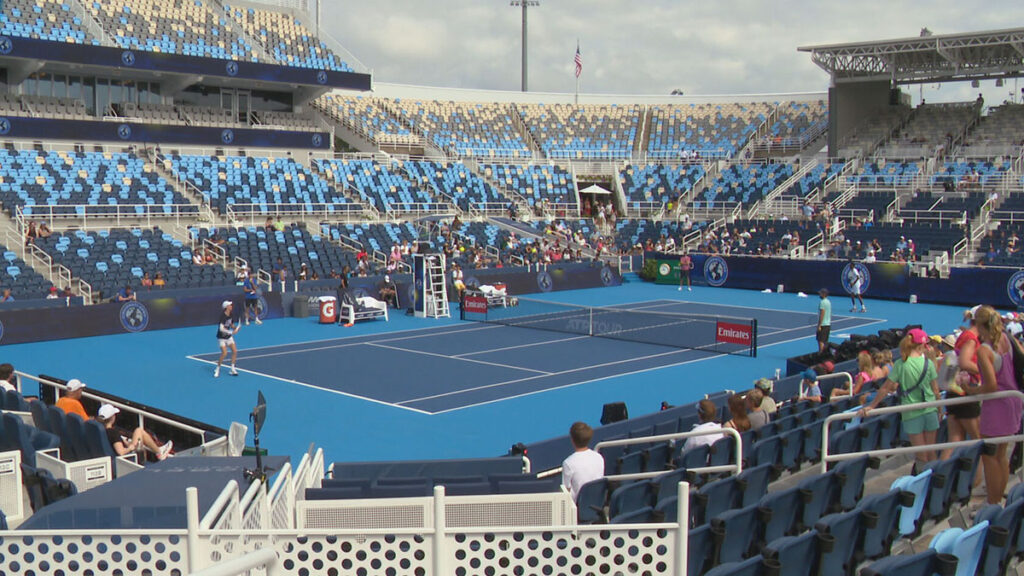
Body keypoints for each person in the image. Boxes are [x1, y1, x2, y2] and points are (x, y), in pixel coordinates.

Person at [961, 306, 1024, 505]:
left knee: (990, 456)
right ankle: (997, 502)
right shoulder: (1007, 339)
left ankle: (993, 503)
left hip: (997, 406)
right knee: (1001, 455)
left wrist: (971, 390)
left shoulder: (984, 351)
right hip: (1013, 401)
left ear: (979, 325)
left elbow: (991, 385)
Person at [861, 328, 941, 468]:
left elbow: (885, 388)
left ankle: (924, 478)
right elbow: (936, 391)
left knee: (921, 455)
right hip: (930, 410)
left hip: (911, 413)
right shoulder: (928, 363)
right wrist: (939, 409)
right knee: (931, 452)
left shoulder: (901, 364)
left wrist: (872, 406)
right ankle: (934, 478)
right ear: (921, 345)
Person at [948, 306, 984, 457]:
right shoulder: (971, 339)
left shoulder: (964, 336)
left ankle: (942, 471)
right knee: (979, 441)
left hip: (955, 389)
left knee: (955, 440)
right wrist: (986, 370)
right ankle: (978, 473)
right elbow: (965, 363)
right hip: (966, 391)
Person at [96, 404, 173, 461]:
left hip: (117, 454)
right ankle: (159, 452)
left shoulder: (101, 431)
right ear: (113, 417)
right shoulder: (113, 432)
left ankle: (158, 451)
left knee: (138, 432)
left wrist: (126, 442)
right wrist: (130, 447)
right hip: (127, 457)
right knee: (139, 431)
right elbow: (121, 452)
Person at [561, 421, 605, 502]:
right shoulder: (599, 457)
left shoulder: (568, 463)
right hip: (597, 503)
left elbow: (566, 492)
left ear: (572, 440)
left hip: (578, 507)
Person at [215, 301, 240, 378]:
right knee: (224, 353)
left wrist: (235, 328)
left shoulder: (231, 314)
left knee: (235, 351)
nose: (231, 306)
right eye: (230, 305)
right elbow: (221, 329)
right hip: (221, 337)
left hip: (228, 337)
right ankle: (217, 369)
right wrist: (231, 332)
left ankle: (232, 369)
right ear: (226, 307)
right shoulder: (222, 316)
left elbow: (231, 324)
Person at [816, 288, 831, 354]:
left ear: (824, 294)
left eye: (821, 293)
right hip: (828, 324)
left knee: (820, 341)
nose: (819, 294)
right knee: (825, 341)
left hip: (823, 325)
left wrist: (819, 325)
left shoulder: (822, 302)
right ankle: (824, 354)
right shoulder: (828, 302)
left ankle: (821, 354)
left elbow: (822, 314)